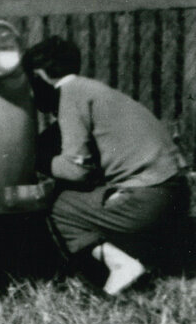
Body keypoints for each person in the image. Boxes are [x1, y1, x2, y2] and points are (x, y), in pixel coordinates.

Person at [23, 36, 189, 295]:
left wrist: (33, 160)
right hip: (175, 192)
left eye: (30, 84)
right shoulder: (93, 91)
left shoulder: (70, 95)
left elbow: (76, 171)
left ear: (39, 76)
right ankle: (143, 258)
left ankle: (121, 265)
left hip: (149, 198)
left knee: (62, 206)